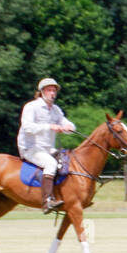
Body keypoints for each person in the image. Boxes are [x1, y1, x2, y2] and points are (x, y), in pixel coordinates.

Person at [18, 78, 76, 213]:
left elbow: (68, 124)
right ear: (42, 92)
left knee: (67, 160)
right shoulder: (31, 107)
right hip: (30, 147)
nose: (52, 93)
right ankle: (47, 201)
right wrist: (49, 126)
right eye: (49, 90)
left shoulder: (56, 109)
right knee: (51, 164)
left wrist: (68, 127)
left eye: (54, 90)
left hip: (48, 149)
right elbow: (27, 127)